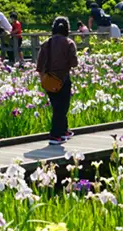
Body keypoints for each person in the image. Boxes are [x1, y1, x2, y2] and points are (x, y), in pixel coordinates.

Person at [36, 17, 78, 145]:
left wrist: (42, 79)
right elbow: (74, 63)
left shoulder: (46, 44)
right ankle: (55, 135)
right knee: (62, 107)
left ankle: (64, 131)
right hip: (63, 79)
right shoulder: (69, 43)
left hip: (49, 79)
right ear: (67, 29)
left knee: (57, 106)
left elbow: (39, 65)